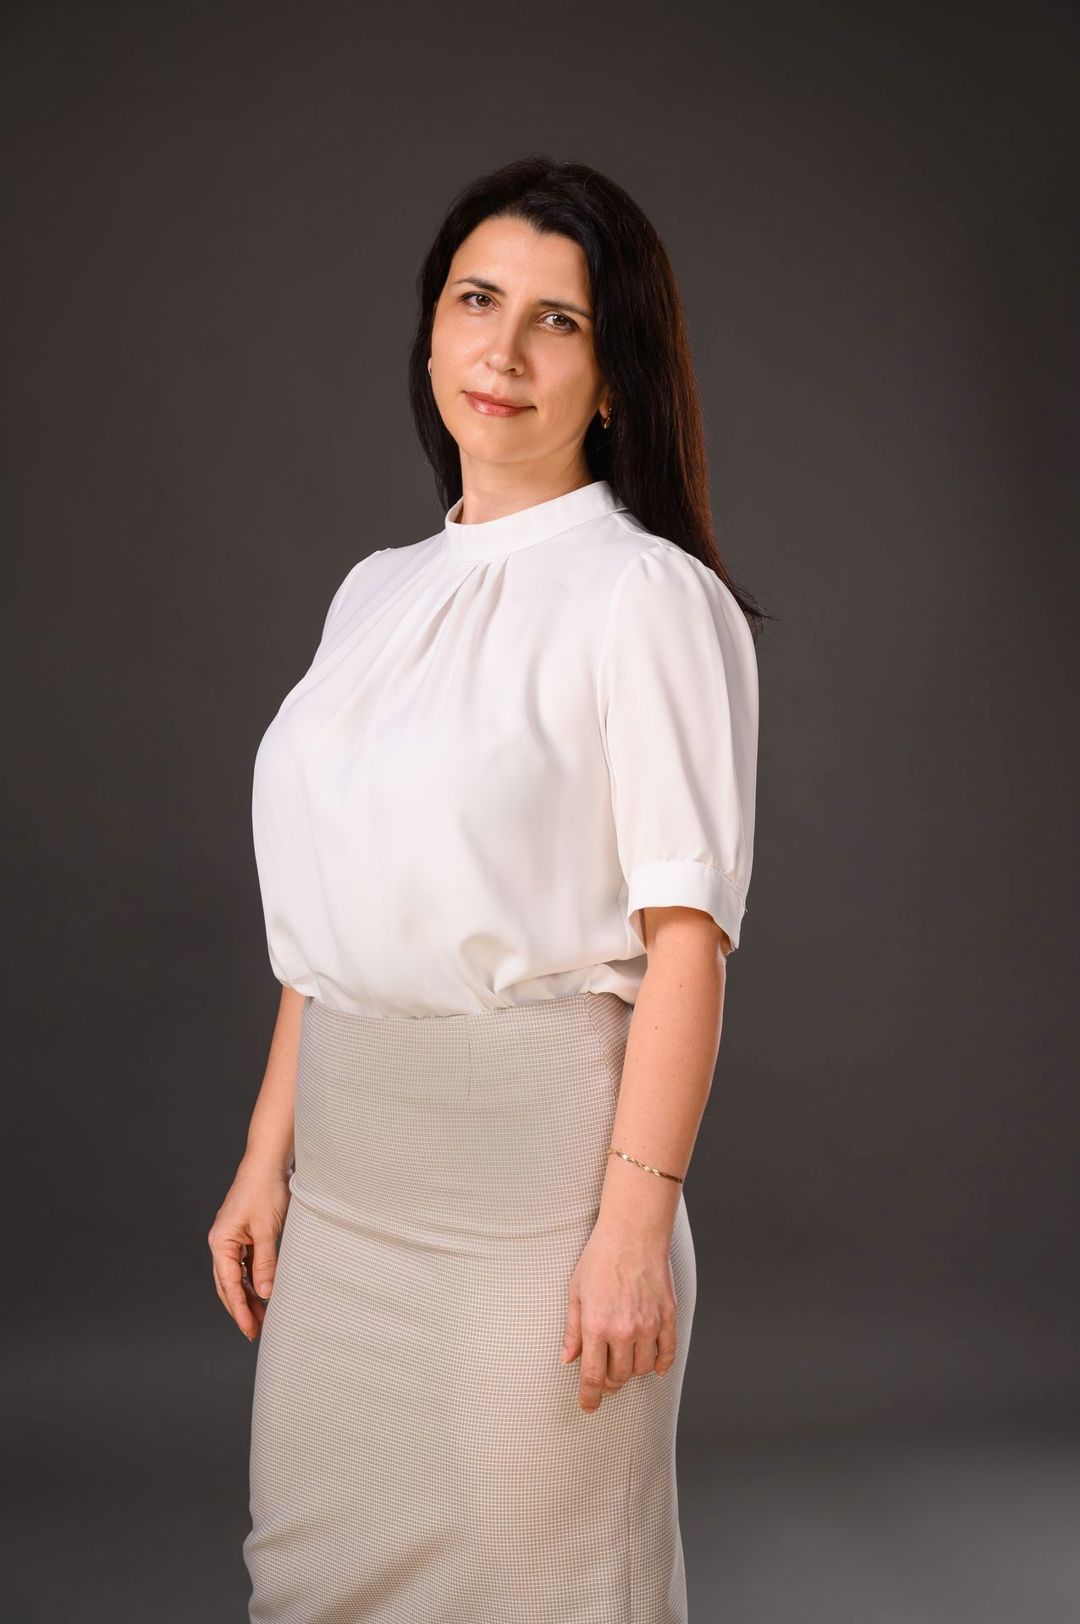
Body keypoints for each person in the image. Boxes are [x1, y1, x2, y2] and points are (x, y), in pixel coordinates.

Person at [209, 153, 765, 1624]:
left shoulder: (647, 595)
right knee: (313, 1590)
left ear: (615, 372)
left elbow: (687, 941)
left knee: (540, 1590)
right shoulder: (375, 591)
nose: (502, 350)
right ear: (432, 329)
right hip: (346, 1203)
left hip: (538, 1206)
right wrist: (269, 1156)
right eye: (475, 300)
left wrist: (631, 1236)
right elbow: (337, 914)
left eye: (555, 320)